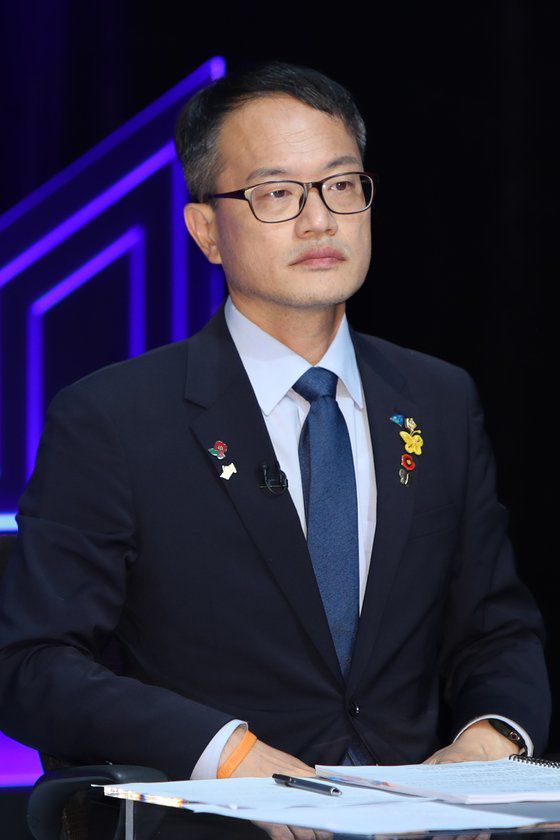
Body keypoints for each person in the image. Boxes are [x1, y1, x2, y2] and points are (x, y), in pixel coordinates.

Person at [0, 61, 551, 836]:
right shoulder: (113, 419)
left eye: (341, 185)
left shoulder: (439, 400)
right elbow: (30, 664)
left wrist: (487, 742)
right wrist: (226, 755)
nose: (319, 220)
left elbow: (496, 632)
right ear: (206, 231)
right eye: (277, 194)